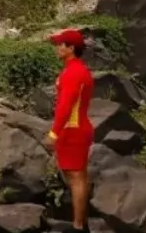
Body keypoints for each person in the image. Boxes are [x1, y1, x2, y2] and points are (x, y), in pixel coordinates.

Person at [47, 28, 94, 233]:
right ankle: (82, 223)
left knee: (75, 178)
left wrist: (53, 133)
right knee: (80, 177)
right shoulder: (77, 69)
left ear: (71, 48)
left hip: (72, 130)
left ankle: (77, 226)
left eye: (60, 45)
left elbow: (66, 105)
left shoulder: (73, 72)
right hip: (78, 127)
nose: (57, 48)